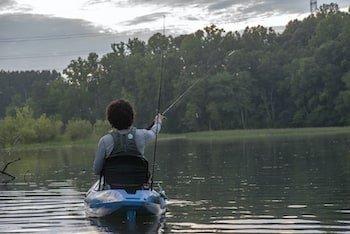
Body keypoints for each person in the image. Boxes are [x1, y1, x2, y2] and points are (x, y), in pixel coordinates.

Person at [93, 99, 163, 176]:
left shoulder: (104, 141)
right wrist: (158, 121)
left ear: (110, 120)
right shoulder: (142, 135)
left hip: (112, 184)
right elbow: (154, 132)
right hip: (137, 183)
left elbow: (97, 170)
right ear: (132, 116)